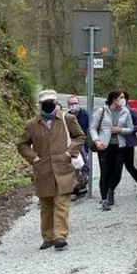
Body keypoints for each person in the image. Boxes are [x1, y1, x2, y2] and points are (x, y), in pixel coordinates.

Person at [16, 89, 85, 250]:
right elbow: (22, 144)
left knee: (61, 203)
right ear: (40, 104)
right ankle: (48, 237)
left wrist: (69, 153)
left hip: (63, 167)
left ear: (55, 102)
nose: (48, 104)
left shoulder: (67, 119)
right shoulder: (32, 124)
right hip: (43, 169)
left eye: (51, 102)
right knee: (46, 205)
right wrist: (34, 158)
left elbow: (80, 136)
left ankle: (60, 236)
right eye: (45, 102)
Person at [90, 90, 134, 210]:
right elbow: (93, 128)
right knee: (105, 172)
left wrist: (120, 130)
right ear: (114, 99)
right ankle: (104, 199)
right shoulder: (102, 111)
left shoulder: (126, 111)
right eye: (121, 97)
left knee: (117, 172)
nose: (124, 99)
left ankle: (111, 190)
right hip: (104, 146)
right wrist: (97, 141)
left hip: (119, 146)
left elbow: (131, 129)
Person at [118, 90, 137, 197]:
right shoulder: (111, 111)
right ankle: (109, 192)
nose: (120, 100)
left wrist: (129, 129)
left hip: (128, 143)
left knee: (129, 166)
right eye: (118, 98)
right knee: (115, 167)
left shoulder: (132, 112)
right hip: (114, 143)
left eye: (122, 97)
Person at [65, 95, 91, 199]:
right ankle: (73, 189)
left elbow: (89, 129)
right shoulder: (66, 116)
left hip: (83, 144)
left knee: (84, 165)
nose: (73, 105)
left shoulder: (85, 114)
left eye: (75, 103)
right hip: (71, 144)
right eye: (71, 104)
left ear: (78, 103)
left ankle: (82, 186)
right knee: (73, 166)